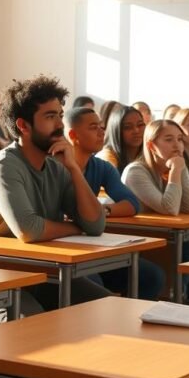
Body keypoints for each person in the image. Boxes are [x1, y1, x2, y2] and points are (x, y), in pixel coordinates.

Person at [0, 75, 109, 311]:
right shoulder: (4, 166)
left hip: (43, 273)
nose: (59, 125)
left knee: (106, 308)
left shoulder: (57, 164)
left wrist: (74, 169)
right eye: (49, 117)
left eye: (59, 115)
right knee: (32, 326)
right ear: (23, 126)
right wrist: (76, 227)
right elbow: (30, 229)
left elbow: (96, 224)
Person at [66, 107, 164, 300]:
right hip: (66, 246)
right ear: (73, 135)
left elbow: (131, 203)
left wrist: (100, 211)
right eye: (94, 127)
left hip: (90, 241)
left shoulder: (101, 167)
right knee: (94, 285)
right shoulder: (56, 166)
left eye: (102, 127)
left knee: (152, 276)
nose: (101, 132)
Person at [121, 119, 189, 267]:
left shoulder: (173, 165)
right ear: (151, 145)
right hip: (135, 238)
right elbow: (169, 208)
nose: (177, 145)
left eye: (180, 139)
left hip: (160, 234)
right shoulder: (135, 171)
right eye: (169, 140)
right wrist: (177, 170)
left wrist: (181, 169)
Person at [98, 106, 145, 173]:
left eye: (140, 125)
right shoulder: (106, 157)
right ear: (116, 130)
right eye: (128, 127)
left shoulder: (147, 153)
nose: (136, 130)